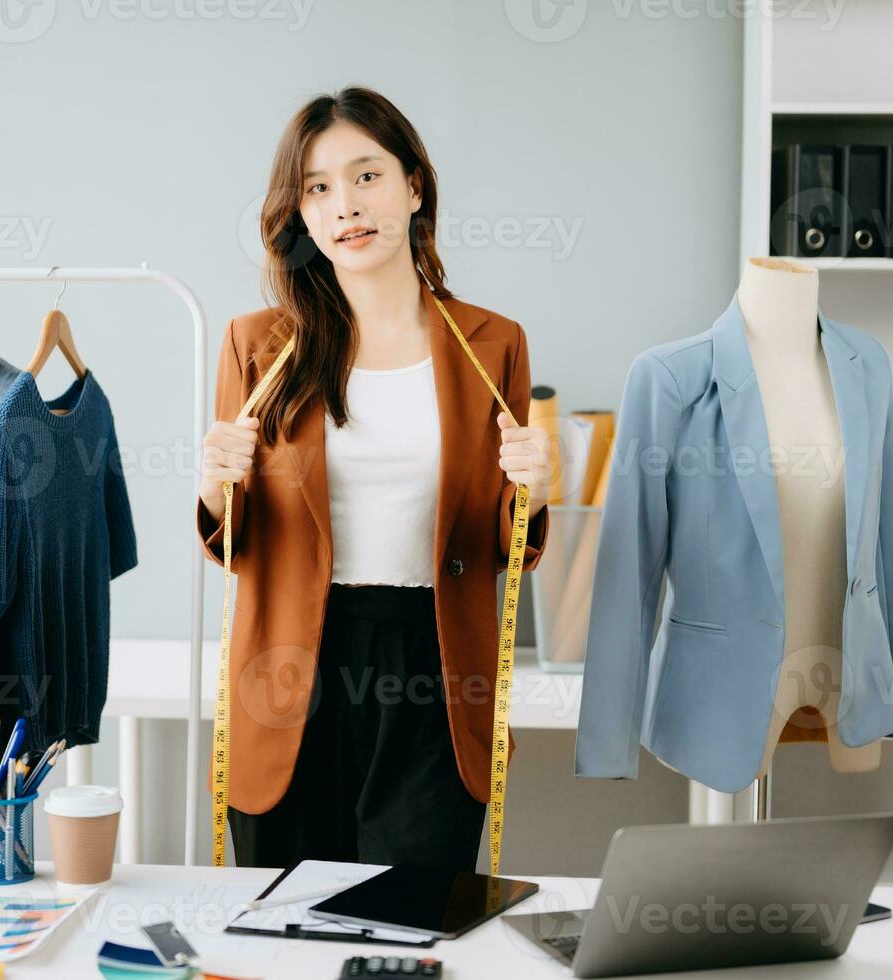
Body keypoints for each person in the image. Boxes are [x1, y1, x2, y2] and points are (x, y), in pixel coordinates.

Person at [196, 85, 553, 871]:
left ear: (414, 186)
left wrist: (535, 488)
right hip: (291, 672)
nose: (345, 206)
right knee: (283, 934)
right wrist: (215, 485)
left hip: (435, 671)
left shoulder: (494, 346)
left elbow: (508, 543)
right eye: (318, 188)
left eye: (367, 176)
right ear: (301, 214)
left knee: (416, 928)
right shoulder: (257, 347)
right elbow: (235, 539)